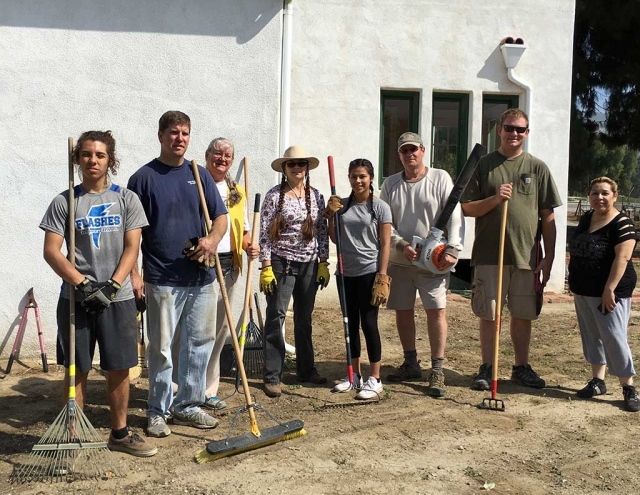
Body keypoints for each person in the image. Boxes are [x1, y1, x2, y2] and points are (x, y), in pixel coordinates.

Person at [40, 130, 156, 456]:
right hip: (76, 299)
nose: (93, 160)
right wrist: (83, 283)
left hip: (116, 299)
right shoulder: (64, 201)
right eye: (87, 154)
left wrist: (114, 284)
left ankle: (119, 434)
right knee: (77, 367)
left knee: (119, 367)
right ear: (77, 159)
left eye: (100, 155)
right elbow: (52, 251)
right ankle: (71, 436)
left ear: (110, 160)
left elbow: (133, 247)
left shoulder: (126, 199)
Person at [127, 111, 227, 437]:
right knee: (161, 347)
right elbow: (133, 234)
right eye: (173, 132)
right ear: (160, 135)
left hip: (201, 277)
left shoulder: (200, 175)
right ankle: (158, 410)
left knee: (199, 344)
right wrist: (135, 275)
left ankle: (188, 405)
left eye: (185, 132)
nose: (179, 138)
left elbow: (220, 218)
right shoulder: (143, 178)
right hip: (162, 277)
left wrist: (211, 241)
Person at [461, 108, 562, 390]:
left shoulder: (537, 168)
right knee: (489, 313)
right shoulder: (484, 165)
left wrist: (550, 256)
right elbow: (467, 208)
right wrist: (495, 199)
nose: (514, 133)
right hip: (489, 254)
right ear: (500, 130)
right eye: (509, 128)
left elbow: (548, 216)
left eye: (520, 129)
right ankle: (487, 366)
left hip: (525, 255)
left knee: (522, 313)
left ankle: (520, 366)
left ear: (527, 133)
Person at [379, 132, 464, 398]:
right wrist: (400, 245)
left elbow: (455, 215)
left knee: (436, 311)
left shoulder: (440, 178)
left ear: (423, 150)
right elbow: (385, 224)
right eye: (404, 150)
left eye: (414, 149)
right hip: (401, 261)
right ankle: (411, 362)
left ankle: (437, 368)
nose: (410, 154)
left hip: (434, 261)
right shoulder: (390, 184)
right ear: (399, 155)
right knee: (403, 311)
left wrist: (453, 249)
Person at [259, 146, 329, 398]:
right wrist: (266, 265)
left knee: (304, 317)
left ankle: (306, 369)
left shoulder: (317, 196)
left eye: (301, 163)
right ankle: (272, 375)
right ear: (284, 169)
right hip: (282, 262)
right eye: (292, 164)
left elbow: (321, 230)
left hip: (309, 263)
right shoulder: (273, 196)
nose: (297, 167)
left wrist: (324, 260)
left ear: (307, 168)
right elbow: (265, 233)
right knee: (276, 315)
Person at [568, 177, 640, 412]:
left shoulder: (622, 224)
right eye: (595, 193)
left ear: (615, 196)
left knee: (613, 336)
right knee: (591, 335)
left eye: (605, 193)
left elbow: (623, 259)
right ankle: (598, 381)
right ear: (588, 196)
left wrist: (609, 289)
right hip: (584, 290)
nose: (599, 197)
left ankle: (628, 387)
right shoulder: (587, 218)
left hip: (610, 291)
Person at [325, 158, 392, 400]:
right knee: (349, 324)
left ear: (371, 178)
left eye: (362, 176)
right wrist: (330, 216)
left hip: (369, 271)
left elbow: (385, 244)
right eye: (354, 176)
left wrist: (382, 275)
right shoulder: (341, 205)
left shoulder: (380, 207)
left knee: (369, 323)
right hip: (345, 273)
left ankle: (375, 377)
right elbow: (335, 238)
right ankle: (354, 374)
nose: (358, 180)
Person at [202, 137, 259, 410]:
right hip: (201, 262)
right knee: (196, 328)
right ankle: (181, 389)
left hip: (229, 263)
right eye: (217, 153)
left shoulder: (236, 192)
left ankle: (209, 390)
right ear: (207, 155)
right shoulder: (196, 183)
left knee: (220, 328)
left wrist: (250, 247)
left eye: (228, 155)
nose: (222, 159)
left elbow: (244, 230)